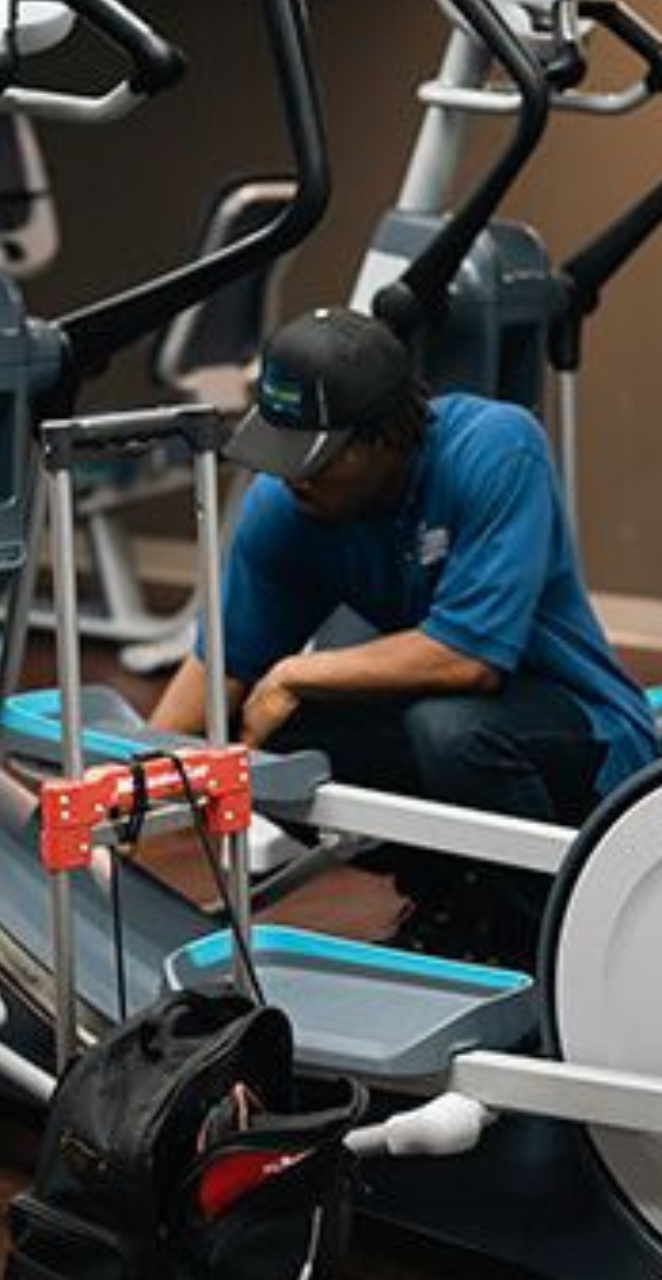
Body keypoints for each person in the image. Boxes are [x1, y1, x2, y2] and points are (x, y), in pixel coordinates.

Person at [151, 305, 659, 964]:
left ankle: (543, 948)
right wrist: (121, 802)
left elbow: (468, 658)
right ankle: (449, 899)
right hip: (444, 729)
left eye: (316, 459)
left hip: (584, 734)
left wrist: (296, 673)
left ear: (385, 438)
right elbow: (220, 669)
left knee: (450, 731)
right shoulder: (289, 507)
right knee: (269, 746)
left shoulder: (497, 448)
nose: (293, 476)